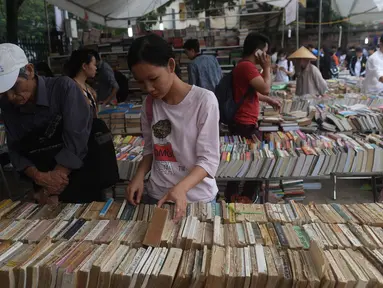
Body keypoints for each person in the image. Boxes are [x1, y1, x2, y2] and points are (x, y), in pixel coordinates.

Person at [0, 44, 118, 204]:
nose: (11, 96)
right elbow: (15, 148)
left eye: (14, 87)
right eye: (3, 92)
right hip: (42, 184)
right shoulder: (7, 105)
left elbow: (77, 137)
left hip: (79, 177)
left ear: (29, 70)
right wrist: (39, 177)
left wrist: (55, 181)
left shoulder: (63, 88)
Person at [125, 34, 220, 222]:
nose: (148, 88)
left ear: (170, 65)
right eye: (141, 82)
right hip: (157, 195)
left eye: (153, 78)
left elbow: (209, 160)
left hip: (196, 199)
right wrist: (139, 175)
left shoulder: (204, 101)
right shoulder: (149, 105)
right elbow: (150, 149)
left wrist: (182, 188)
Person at [231, 32, 280, 138]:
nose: (266, 56)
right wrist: (267, 67)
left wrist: (268, 100)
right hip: (244, 121)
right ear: (257, 52)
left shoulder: (244, 65)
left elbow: (250, 92)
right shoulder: (247, 67)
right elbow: (266, 89)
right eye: (265, 52)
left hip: (246, 121)